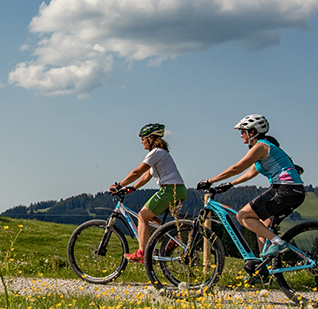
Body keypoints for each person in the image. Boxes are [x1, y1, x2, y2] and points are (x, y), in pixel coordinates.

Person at [196, 114, 305, 275]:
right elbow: (249, 173)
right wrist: (228, 184)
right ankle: (264, 271)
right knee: (261, 228)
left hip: (285, 188)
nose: (241, 135)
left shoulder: (261, 147)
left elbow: (237, 168)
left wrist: (210, 181)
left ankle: (279, 243)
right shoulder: (263, 151)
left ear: (252, 132)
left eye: (243, 132)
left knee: (243, 216)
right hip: (294, 191)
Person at [110, 123, 187, 263]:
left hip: (169, 189)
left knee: (142, 216)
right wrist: (133, 187)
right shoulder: (161, 154)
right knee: (150, 217)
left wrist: (119, 185)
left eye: (143, 138)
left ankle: (142, 252)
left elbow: (137, 172)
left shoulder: (156, 152)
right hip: (178, 189)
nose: (141, 141)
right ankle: (172, 238)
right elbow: (146, 175)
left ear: (151, 138)